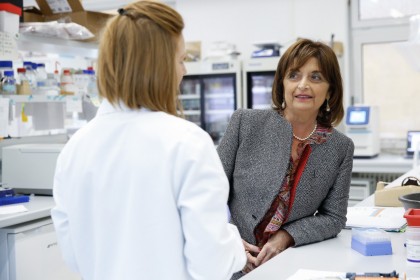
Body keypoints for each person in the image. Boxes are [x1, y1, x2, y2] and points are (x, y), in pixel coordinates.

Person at [51, 1, 246, 280]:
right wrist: (233, 243)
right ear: (160, 66)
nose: (184, 72)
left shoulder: (75, 149)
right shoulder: (187, 142)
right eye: (180, 60)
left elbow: (73, 255)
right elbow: (210, 264)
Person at [217, 38, 355, 279]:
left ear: (330, 89)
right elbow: (209, 194)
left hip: (290, 263)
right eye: (294, 75)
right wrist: (229, 241)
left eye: (316, 77)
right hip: (229, 261)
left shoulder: (340, 147)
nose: (303, 85)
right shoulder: (245, 124)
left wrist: (287, 236)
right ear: (282, 84)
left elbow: (333, 218)